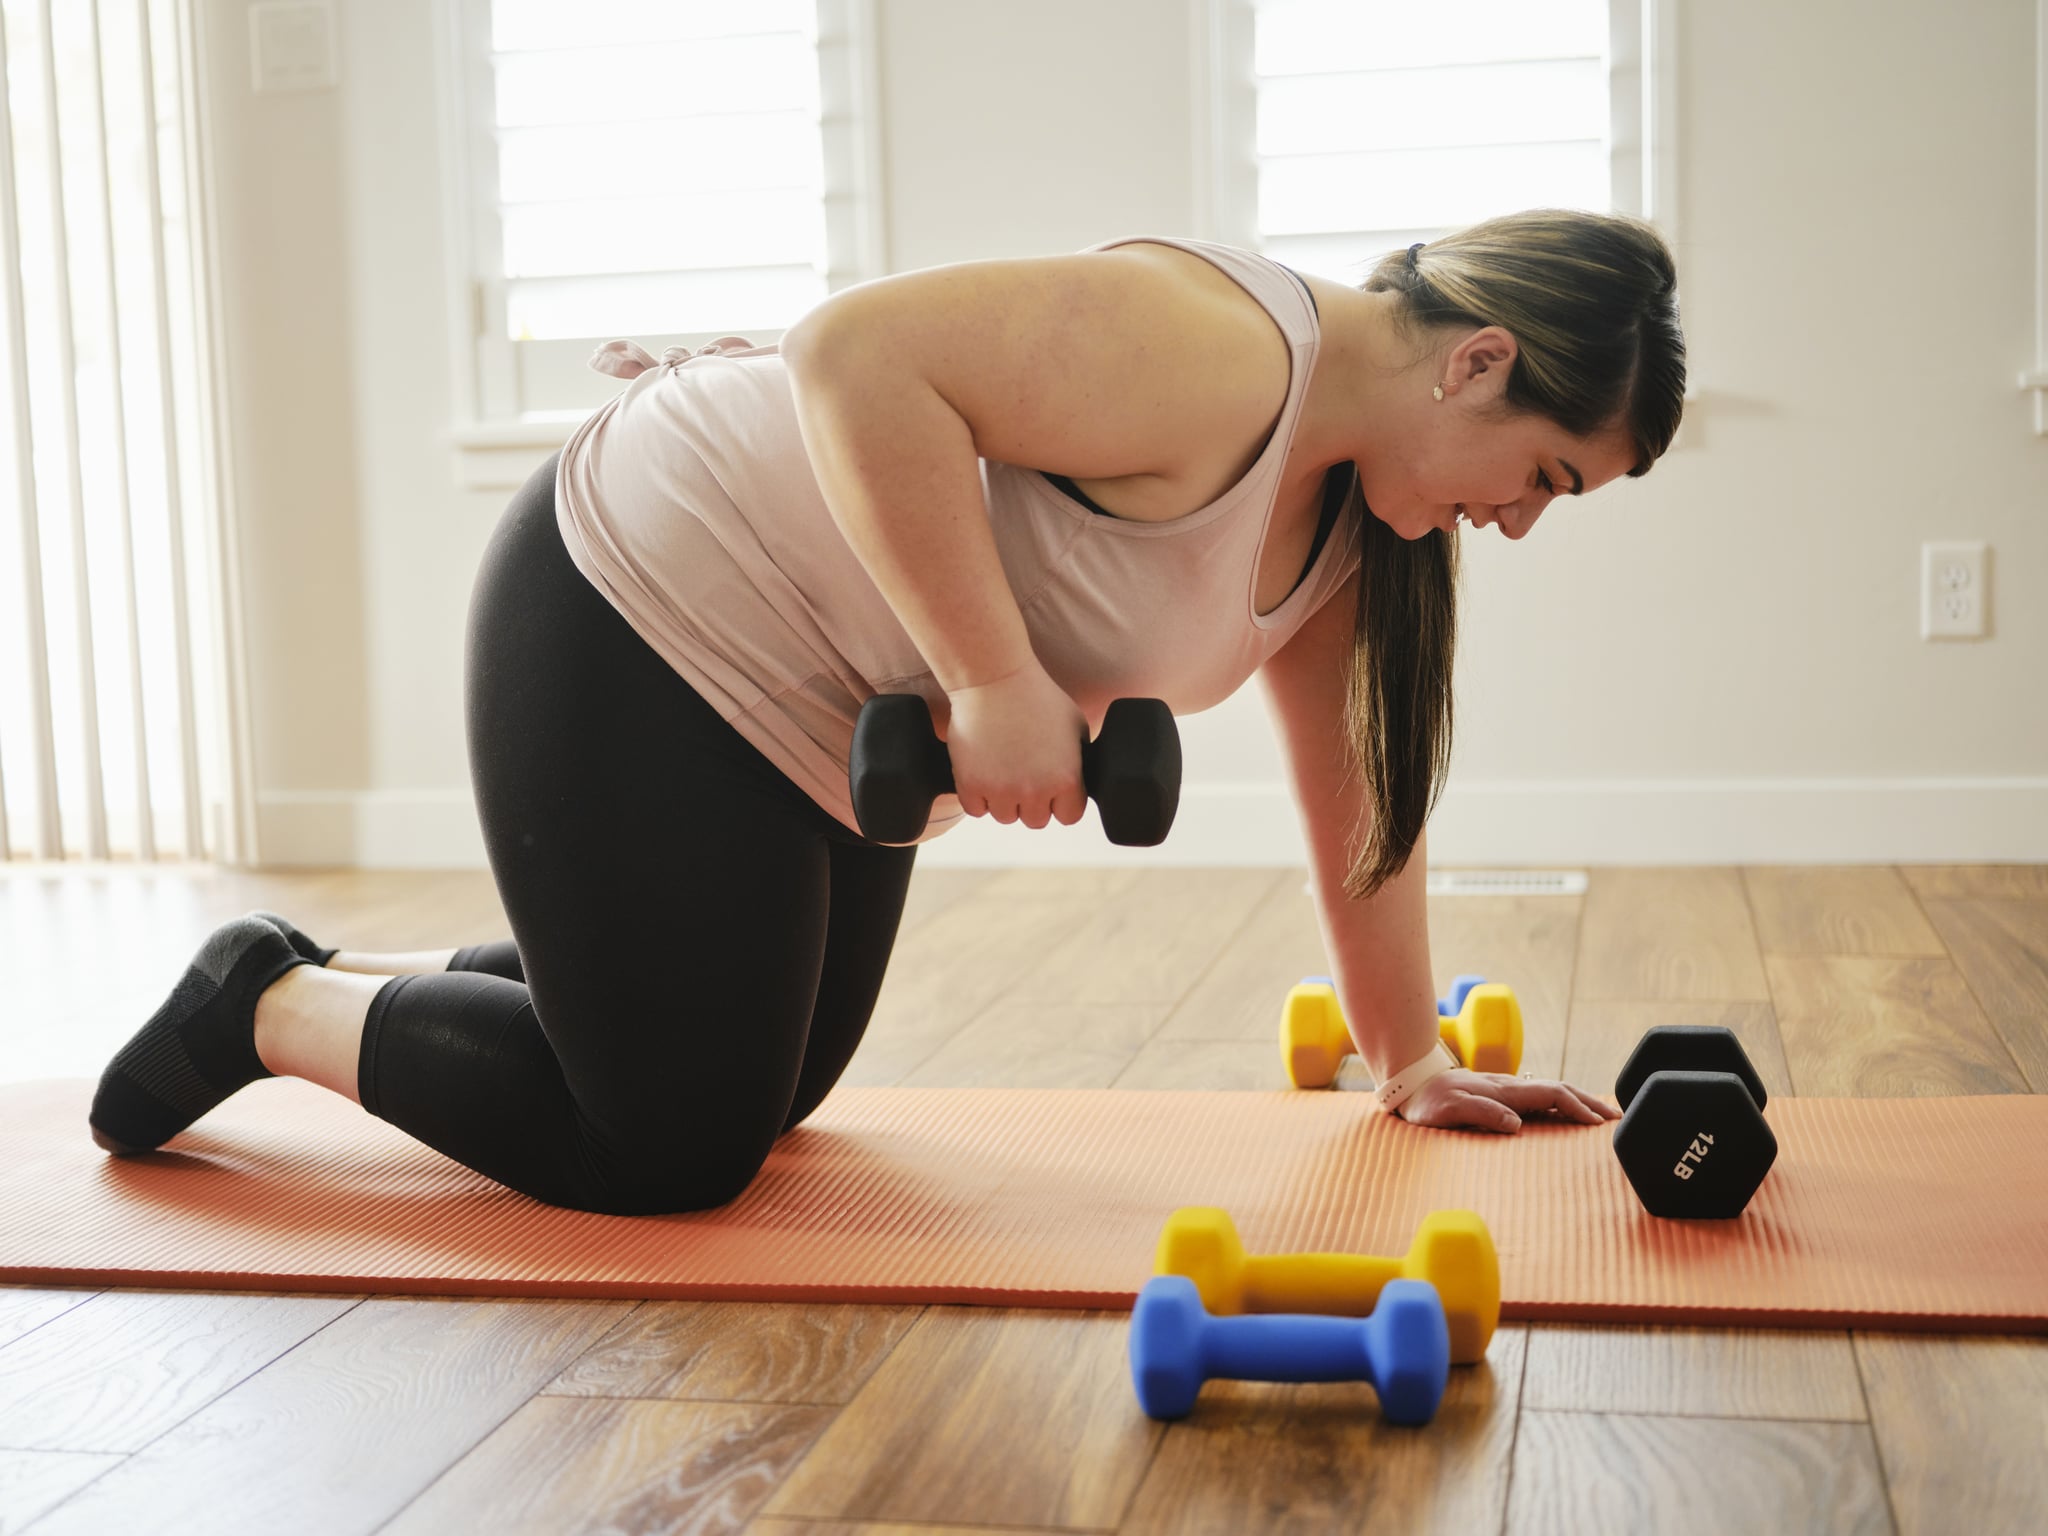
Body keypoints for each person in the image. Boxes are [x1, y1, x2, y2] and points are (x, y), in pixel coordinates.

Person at [88, 207, 1683, 1215]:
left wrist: (1409, 1056)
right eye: (1546, 477)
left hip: (831, 691)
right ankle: (262, 1003)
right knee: (668, 1149)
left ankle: (484, 979)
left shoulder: (1359, 528)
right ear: (1479, 363)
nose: (1523, 521)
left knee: (776, 1087)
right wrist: (996, 682)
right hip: (652, 587)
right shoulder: (1223, 348)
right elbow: (855, 352)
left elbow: (1359, 799)